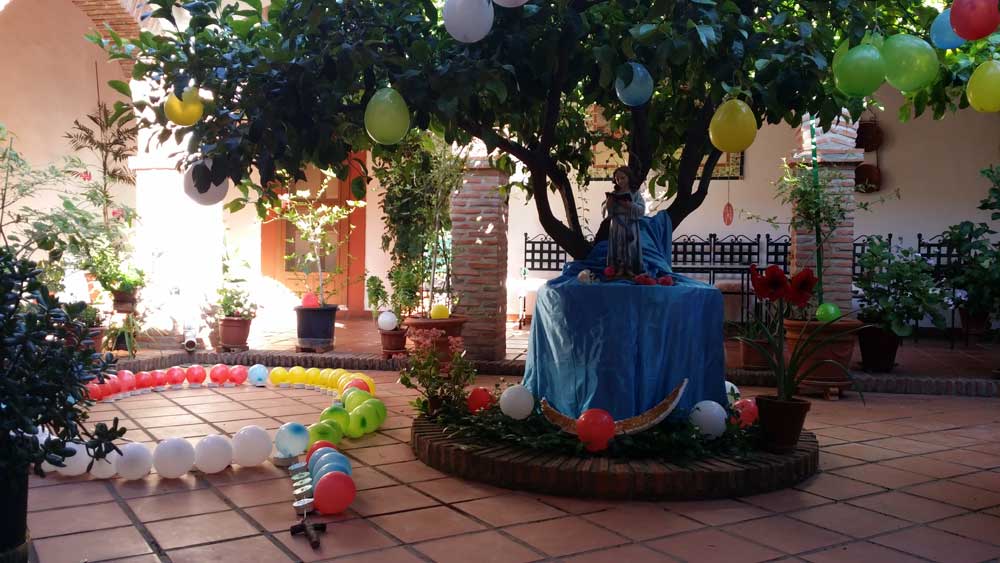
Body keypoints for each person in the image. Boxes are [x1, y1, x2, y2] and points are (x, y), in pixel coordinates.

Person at [597, 166, 644, 277]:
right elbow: (605, 210)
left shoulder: (635, 193)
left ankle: (630, 268)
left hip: (630, 223)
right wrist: (608, 204)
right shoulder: (614, 193)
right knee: (618, 245)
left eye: (623, 178)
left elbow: (642, 209)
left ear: (629, 177)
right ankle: (619, 268)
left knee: (630, 245)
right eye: (617, 179)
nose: (620, 181)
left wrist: (630, 205)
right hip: (616, 223)